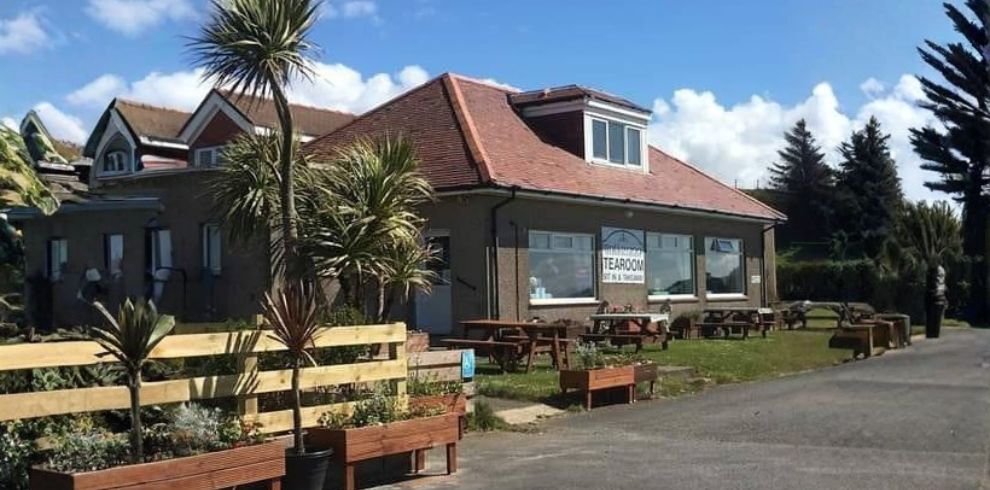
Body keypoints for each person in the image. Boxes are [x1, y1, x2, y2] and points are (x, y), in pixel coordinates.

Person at [926, 265, 947, 338]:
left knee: (933, 317)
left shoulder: (935, 277)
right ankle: (934, 333)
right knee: (936, 319)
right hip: (939, 296)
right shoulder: (941, 272)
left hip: (936, 297)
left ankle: (932, 333)